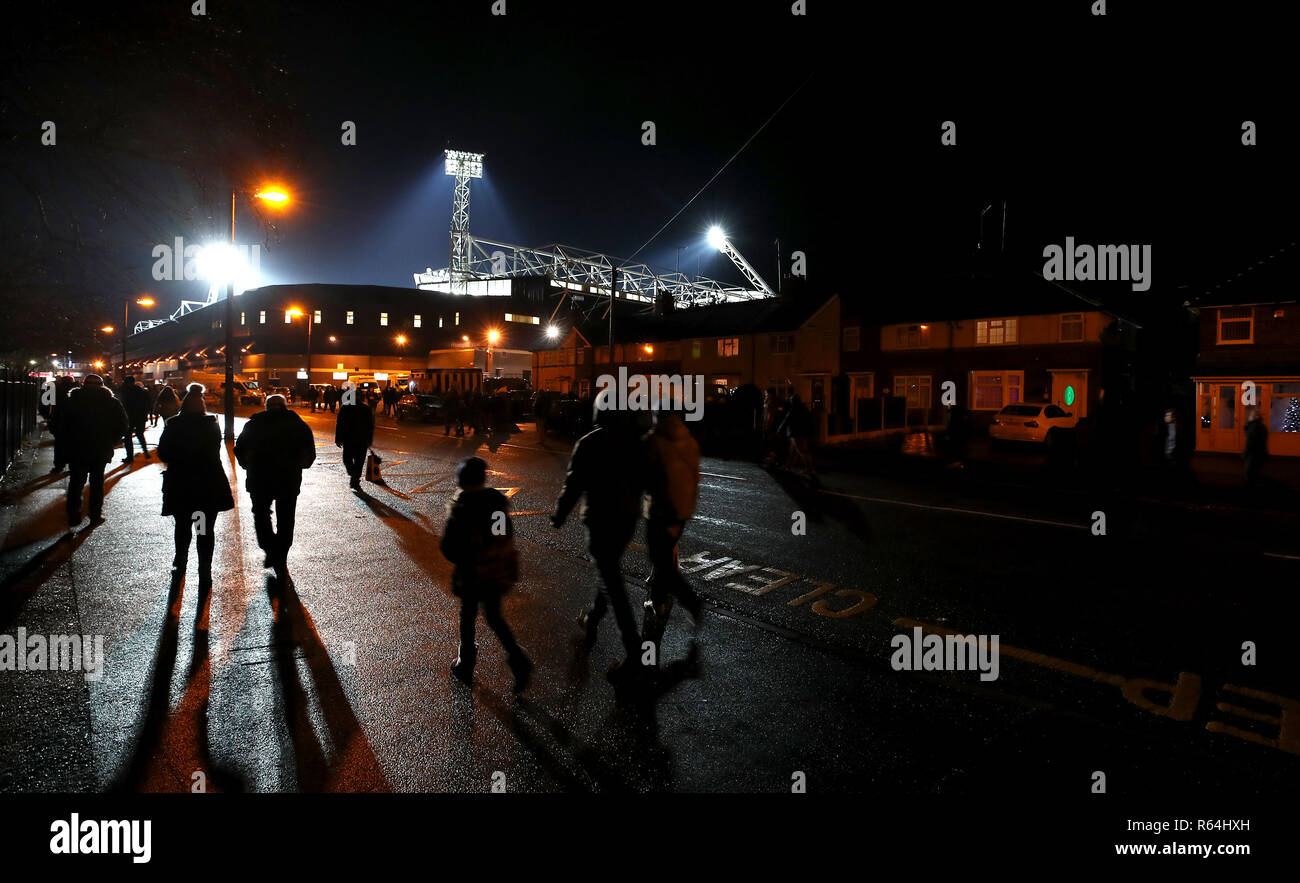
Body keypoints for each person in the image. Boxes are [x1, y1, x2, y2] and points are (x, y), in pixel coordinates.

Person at [552, 398, 647, 680]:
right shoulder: (636, 442)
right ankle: (592, 619)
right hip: (626, 520)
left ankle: (635, 653)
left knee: (614, 587)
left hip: (600, 520)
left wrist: (560, 513)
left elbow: (574, 483)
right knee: (610, 575)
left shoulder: (589, 442)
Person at [441, 457, 532, 691]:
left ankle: (466, 662)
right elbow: (502, 536)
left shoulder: (461, 507)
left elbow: (448, 548)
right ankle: (518, 659)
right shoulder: (495, 503)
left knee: (468, 616)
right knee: (494, 617)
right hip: (494, 573)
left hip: (471, 575)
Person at [157, 385, 234, 594]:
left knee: (182, 526)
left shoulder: (173, 425)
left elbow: (164, 453)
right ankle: (205, 570)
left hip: (182, 486)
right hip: (206, 487)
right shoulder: (211, 424)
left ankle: (180, 562)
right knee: (203, 529)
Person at [234, 394, 316, 587]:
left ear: (267, 406)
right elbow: (309, 454)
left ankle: (270, 548)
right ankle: (281, 555)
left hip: (260, 478)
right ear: (284, 406)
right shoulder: (298, 424)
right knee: (286, 517)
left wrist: (248, 464)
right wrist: (299, 465)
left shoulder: (254, 424)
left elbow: (240, 449)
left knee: (261, 514)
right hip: (288, 478)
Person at [641, 407, 703, 646]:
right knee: (663, 560)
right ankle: (658, 600)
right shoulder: (689, 441)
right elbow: (694, 476)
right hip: (682, 510)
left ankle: (688, 601)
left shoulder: (656, 442)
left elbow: (644, 474)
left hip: (660, 510)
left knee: (662, 562)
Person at [60, 374, 129, 528]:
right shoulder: (112, 402)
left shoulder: (72, 401)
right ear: (102, 385)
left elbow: (60, 423)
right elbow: (123, 425)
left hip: (77, 447)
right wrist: (112, 439)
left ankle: (73, 514)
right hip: (101, 447)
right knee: (97, 482)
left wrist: (67, 440)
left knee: (76, 481)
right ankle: (95, 515)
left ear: (83, 384)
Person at [335, 384, 375, 491]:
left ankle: (354, 477)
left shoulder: (346, 407)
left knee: (348, 459)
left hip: (349, 438)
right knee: (358, 461)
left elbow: (339, 424)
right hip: (360, 439)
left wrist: (338, 438)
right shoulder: (365, 408)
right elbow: (370, 426)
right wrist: (369, 439)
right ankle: (355, 478)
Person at [778, 393, 816, 476]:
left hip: (795, 433)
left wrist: (779, 430)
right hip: (803, 433)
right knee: (795, 451)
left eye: (791, 400)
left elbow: (786, 420)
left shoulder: (793, 409)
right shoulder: (805, 409)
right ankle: (788, 466)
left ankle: (809, 469)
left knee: (801, 451)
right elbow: (810, 421)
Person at [118, 375, 152, 462]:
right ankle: (146, 452)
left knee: (128, 436)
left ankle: (130, 457)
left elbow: (122, 403)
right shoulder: (142, 391)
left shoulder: (125, 391)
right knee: (140, 434)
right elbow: (148, 403)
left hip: (130, 416)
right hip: (141, 416)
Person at [1244, 407, 1268, 489]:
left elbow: (1250, 441)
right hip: (1259, 452)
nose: (1249, 416)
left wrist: (1245, 453)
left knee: (1249, 472)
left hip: (1253, 453)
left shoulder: (1254, 427)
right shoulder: (1261, 426)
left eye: (1251, 415)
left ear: (1254, 417)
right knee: (1255, 471)